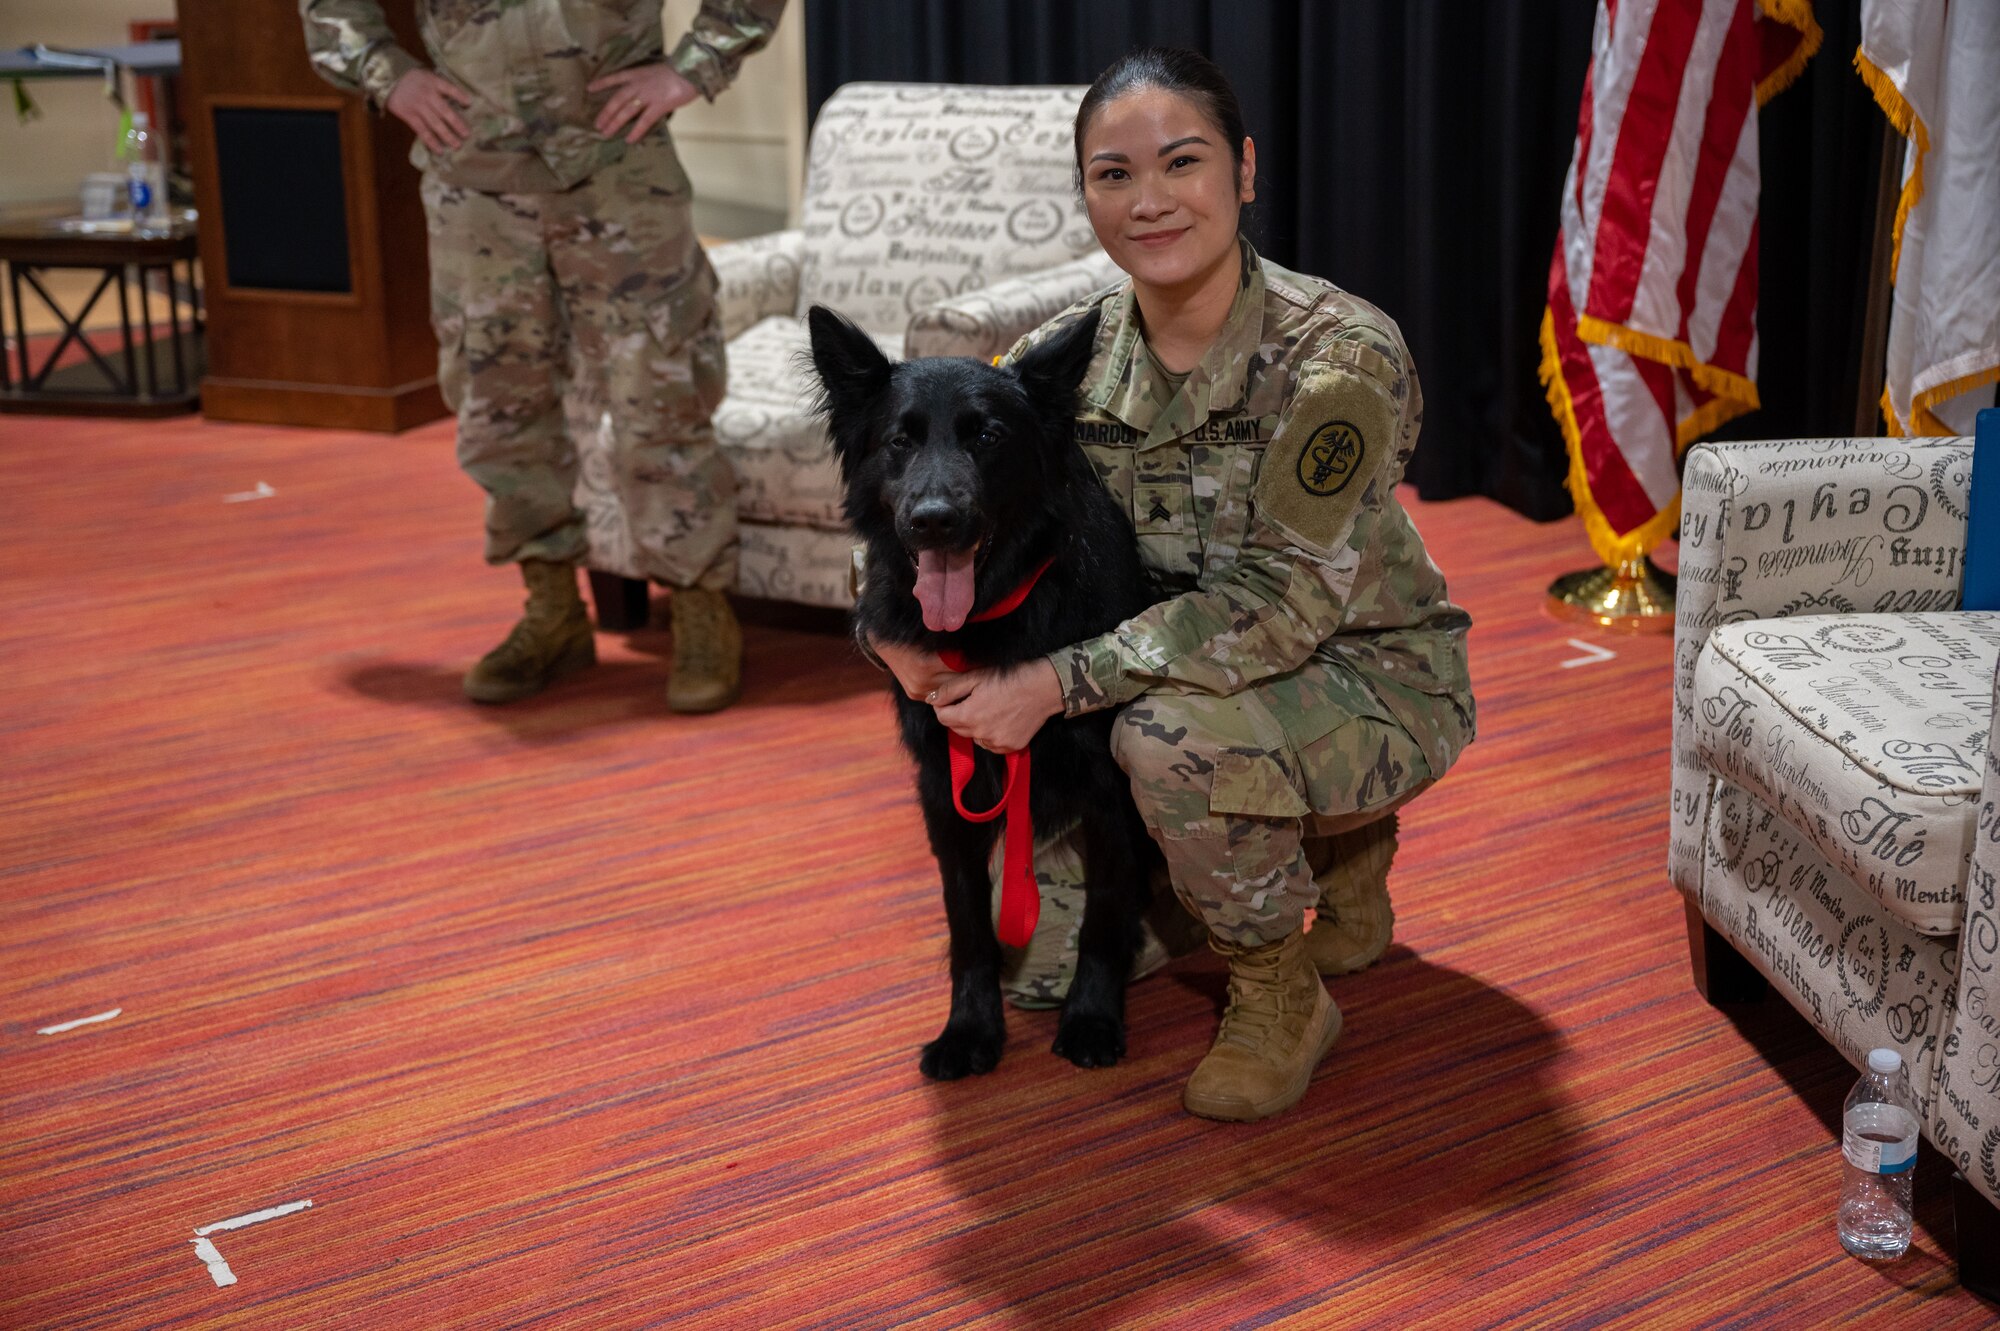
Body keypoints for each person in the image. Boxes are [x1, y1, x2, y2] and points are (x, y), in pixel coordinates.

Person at [870, 48, 1475, 1122]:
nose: (1146, 201)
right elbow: (908, 488)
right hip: (1146, 670)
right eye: (1111, 174)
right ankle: (1268, 863)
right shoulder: (1056, 363)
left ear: (1242, 171)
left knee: (1162, 739)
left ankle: (1280, 984)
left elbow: (1279, 604)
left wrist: (1053, 683)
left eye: (1179, 163)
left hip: (1359, 673)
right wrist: (892, 638)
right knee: (1040, 973)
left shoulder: (1335, 357)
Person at [300, 0, 787, 713]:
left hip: (619, 163)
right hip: (476, 179)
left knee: (661, 395)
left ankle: (699, 606)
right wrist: (387, 73)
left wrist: (694, 67)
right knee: (500, 407)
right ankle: (552, 609)